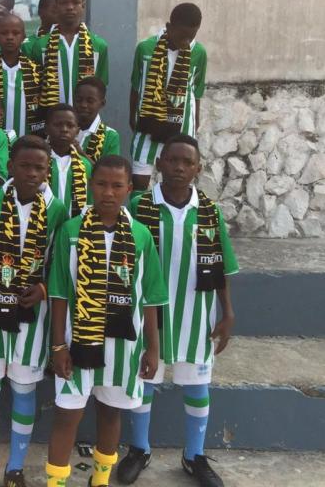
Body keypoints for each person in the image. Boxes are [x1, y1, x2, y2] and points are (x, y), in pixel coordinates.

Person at [119, 135, 238, 487]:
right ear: (158, 163)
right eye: (172, 160)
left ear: (198, 168)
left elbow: (222, 266)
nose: (179, 168)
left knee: (197, 386)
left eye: (187, 162)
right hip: (148, 316)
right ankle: (139, 449)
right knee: (144, 383)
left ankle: (194, 455)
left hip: (195, 315)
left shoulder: (210, 211)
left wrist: (227, 312)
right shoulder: (140, 205)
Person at [45, 155, 167, 487]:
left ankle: (99, 481)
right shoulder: (71, 231)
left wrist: (153, 349)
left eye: (117, 186)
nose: (108, 193)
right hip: (78, 340)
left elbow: (150, 297)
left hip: (123, 345)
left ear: (130, 188)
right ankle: (55, 482)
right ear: (90, 186)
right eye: (101, 184)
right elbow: (58, 293)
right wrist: (58, 345)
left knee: (111, 412)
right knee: (67, 414)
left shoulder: (140, 236)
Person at [0, 135, 68, 487]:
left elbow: (60, 264)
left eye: (39, 167)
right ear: (10, 167)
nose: (32, 173)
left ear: (48, 171)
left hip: (32, 321)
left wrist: (42, 289)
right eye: (24, 165)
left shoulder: (57, 210)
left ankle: (16, 467)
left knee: (24, 390)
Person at [129, 3, 207, 192]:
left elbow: (196, 91)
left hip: (181, 126)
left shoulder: (199, 53)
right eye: (182, 35)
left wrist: (194, 124)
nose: (186, 40)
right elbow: (135, 87)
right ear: (169, 27)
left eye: (191, 35)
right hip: (149, 122)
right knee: (140, 181)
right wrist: (132, 118)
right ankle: (139, 219)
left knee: (176, 183)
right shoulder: (146, 48)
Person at [26, 0, 109, 109]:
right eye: (64, 2)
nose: (70, 7)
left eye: (75, 2)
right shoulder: (41, 45)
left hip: (85, 120)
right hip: (51, 120)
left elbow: (101, 87)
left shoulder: (98, 45)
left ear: (83, 5)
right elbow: (35, 89)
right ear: (56, 6)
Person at [0, 14, 44, 137]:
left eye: (15, 33)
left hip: (28, 142)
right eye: (4, 33)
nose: (10, 37)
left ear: (23, 37)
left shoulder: (36, 71)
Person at [45, 104, 93, 217]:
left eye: (70, 125)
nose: (64, 130)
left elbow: (89, 202)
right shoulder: (37, 161)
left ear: (77, 131)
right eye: (58, 125)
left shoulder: (85, 165)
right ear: (46, 128)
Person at [75, 77, 121, 162]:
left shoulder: (110, 136)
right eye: (79, 100)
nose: (83, 105)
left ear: (102, 103)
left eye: (90, 101)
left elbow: (110, 173)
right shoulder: (64, 129)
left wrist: (80, 153)